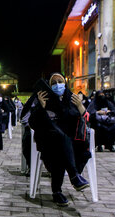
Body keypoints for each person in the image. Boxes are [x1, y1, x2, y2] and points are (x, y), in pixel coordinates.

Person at [29, 73, 91, 207]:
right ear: (49, 86)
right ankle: (74, 177)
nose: (58, 84)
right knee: (59, 140)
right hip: (48, 143)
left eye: (60, 81)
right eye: (54, 82)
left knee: (62, 145)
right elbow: (33, 123)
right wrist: (42, 107)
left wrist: (80, 106)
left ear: (65, 83)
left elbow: (86, 121)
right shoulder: (43, 99)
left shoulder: (72, 100)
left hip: (71, 146)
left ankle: (57, 191)